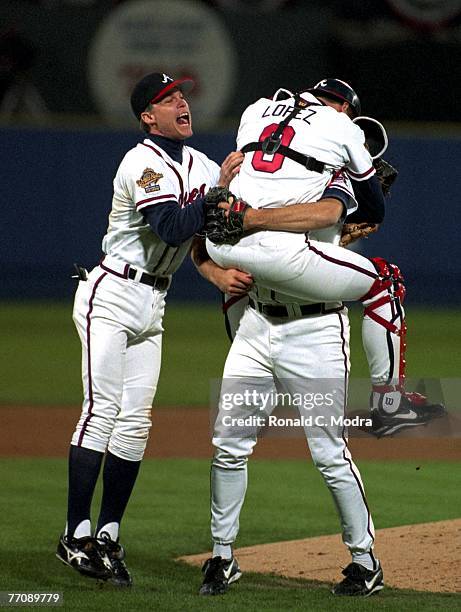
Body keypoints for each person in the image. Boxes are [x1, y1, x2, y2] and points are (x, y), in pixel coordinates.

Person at [190, 79, 439, 598]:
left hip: (315, 328)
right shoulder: (296, 153)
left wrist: (337, 233)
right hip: (260, 322)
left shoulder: (317, 162)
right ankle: (221, 556)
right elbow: (233, 224)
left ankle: (365, 562)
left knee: (329, 452)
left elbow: (325, 223)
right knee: (229, 445)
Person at [55, 71, 243, 586]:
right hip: (111, 293)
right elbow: (173, 227)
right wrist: (220, 194)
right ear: (147, 116)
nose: (182, 102)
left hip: (153, 302)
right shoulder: (140, 161)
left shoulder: (203, 166)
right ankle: (74, 536)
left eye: (182, 94)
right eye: (168, 98)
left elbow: (229, 215)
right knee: (101, 412)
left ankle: (109, 536)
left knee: (136, 424)